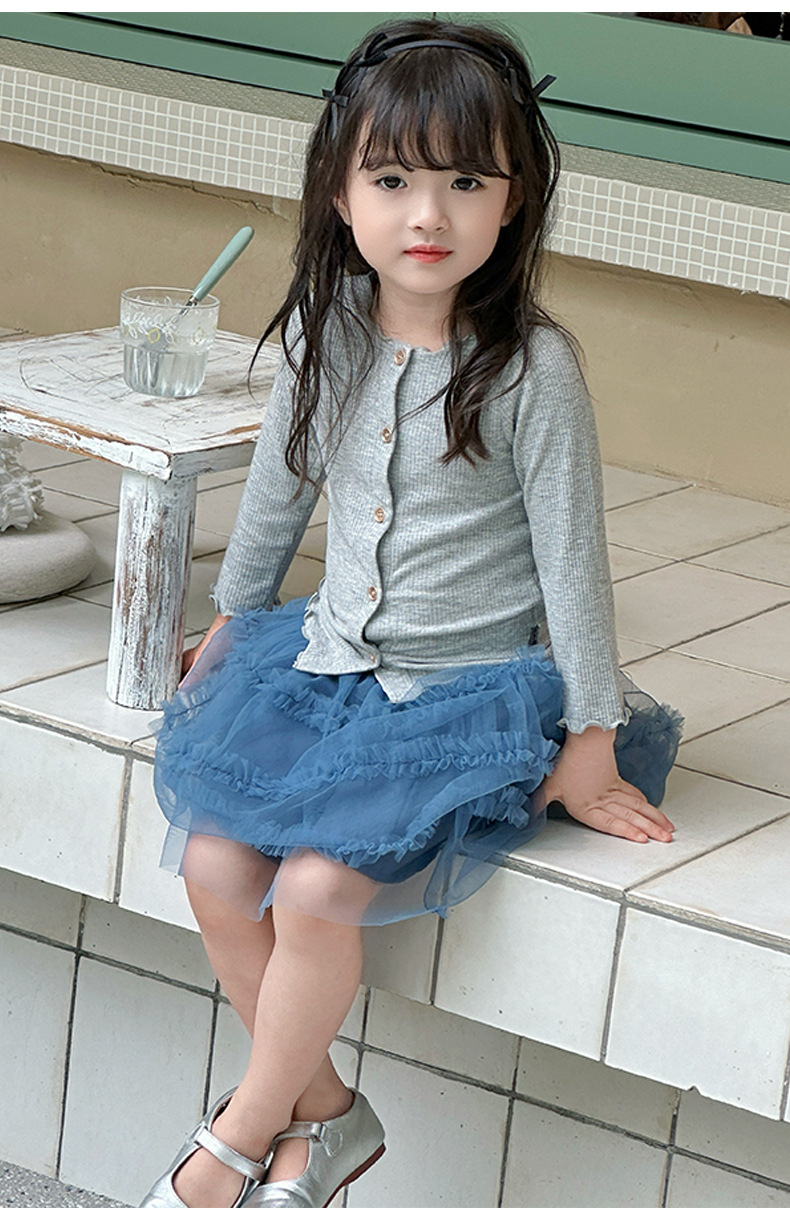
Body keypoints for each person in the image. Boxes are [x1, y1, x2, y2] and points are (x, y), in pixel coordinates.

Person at [143, 17, 682, 1210]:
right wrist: (233, 619)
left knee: (317, 887)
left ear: (513, 200)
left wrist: (591, 732)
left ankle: (232, 1142)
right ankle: (326, 1114)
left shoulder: (530, 365)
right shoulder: (325, 334)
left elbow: (573, 560)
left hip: (465, 688)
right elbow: (279, 493)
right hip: (328, 664)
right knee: (216, 862)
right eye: (391, 181)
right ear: (340, 195)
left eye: (465, 182)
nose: (426, 214)